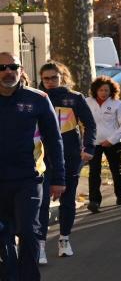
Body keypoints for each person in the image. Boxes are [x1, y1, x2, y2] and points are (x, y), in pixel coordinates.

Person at [0, 52, 65, 280]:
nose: (8, 71)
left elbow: (54, 140)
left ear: (21, 69)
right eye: (2, 68)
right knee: (3, 236)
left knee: (28, 231)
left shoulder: (37, 99)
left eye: (13, 66)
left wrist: (59, 178)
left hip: (28, 179)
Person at [37, 61, 96, 263]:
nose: (50, 81)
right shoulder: (37, 98)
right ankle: (40, 245)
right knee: (42, 202)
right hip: (42, 158)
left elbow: (90, 124)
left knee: (68, 200)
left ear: (62, 76)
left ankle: (64, 239)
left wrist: (88, 147)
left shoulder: (75, 98)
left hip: (70, 156)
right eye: (46, 78)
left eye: (54, 77)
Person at [86, 76, 121, 213]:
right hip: (93, 143)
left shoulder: (117, 103)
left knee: (117, 170)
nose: (103, 93)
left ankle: (120, 195)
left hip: (113, 143)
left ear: (111, 91)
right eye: (101, 90)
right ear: (95, 90)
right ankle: (94, 201)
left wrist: (111, 140)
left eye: (106, 90)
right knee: (94, 172)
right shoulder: (87, 102)